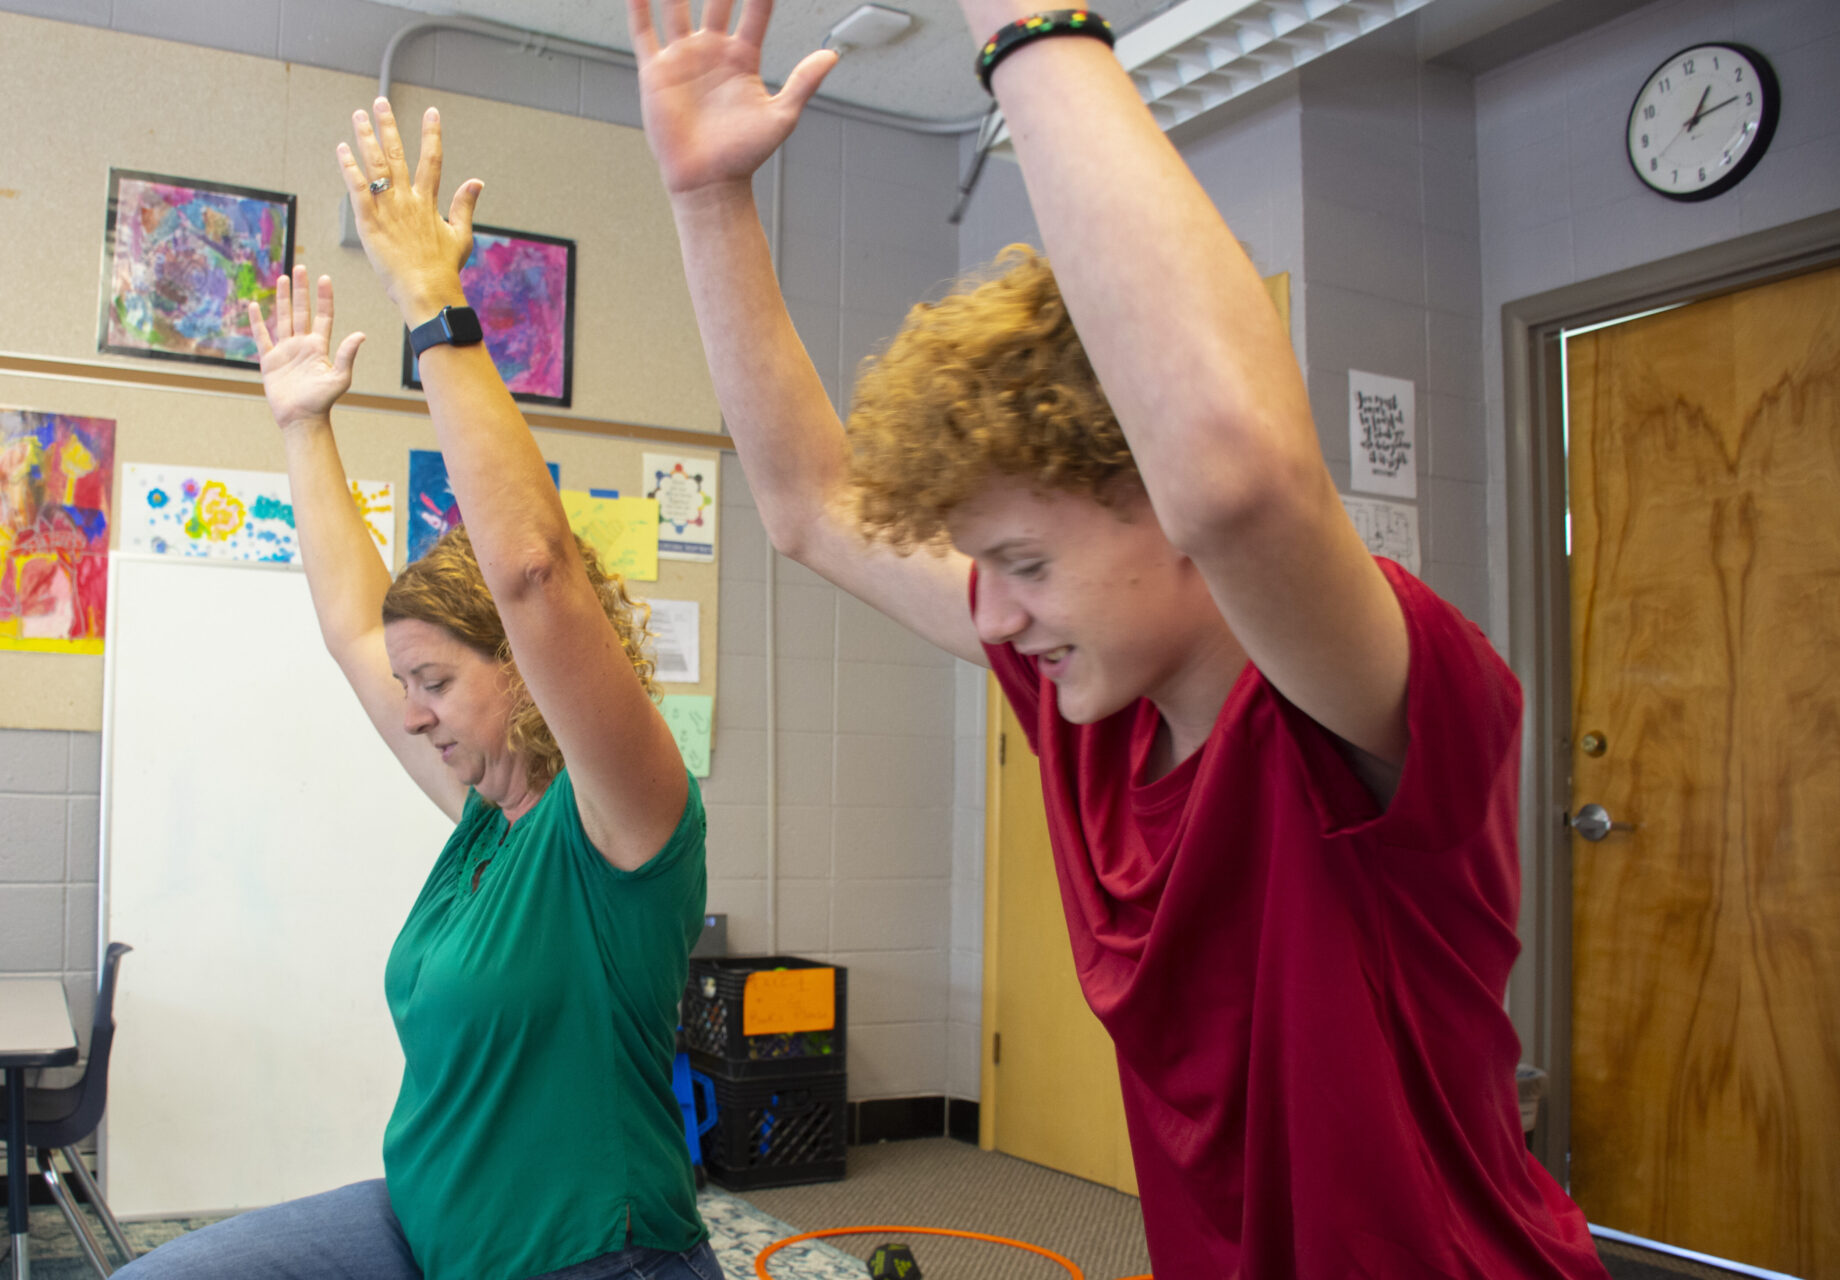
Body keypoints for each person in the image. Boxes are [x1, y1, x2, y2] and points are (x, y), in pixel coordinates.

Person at [629, 0, 1610, 1275]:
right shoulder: (1089, 709)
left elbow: (1240, 480)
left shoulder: (1367, 708)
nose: (993, 613)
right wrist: (707, 198)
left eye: (1026, 563)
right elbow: (811, 508)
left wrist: (1026, 29)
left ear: (1164, 503)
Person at [118, 107, 719, 1279]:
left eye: (436, 680)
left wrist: (434, 308)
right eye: (409, 684)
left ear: (525, 669)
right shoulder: (486, 818)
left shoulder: (622, 819)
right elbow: (355, 629)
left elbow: (535, 570)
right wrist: (304, 424)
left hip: (586, 1256)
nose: (410, 709)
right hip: (422, 1221)